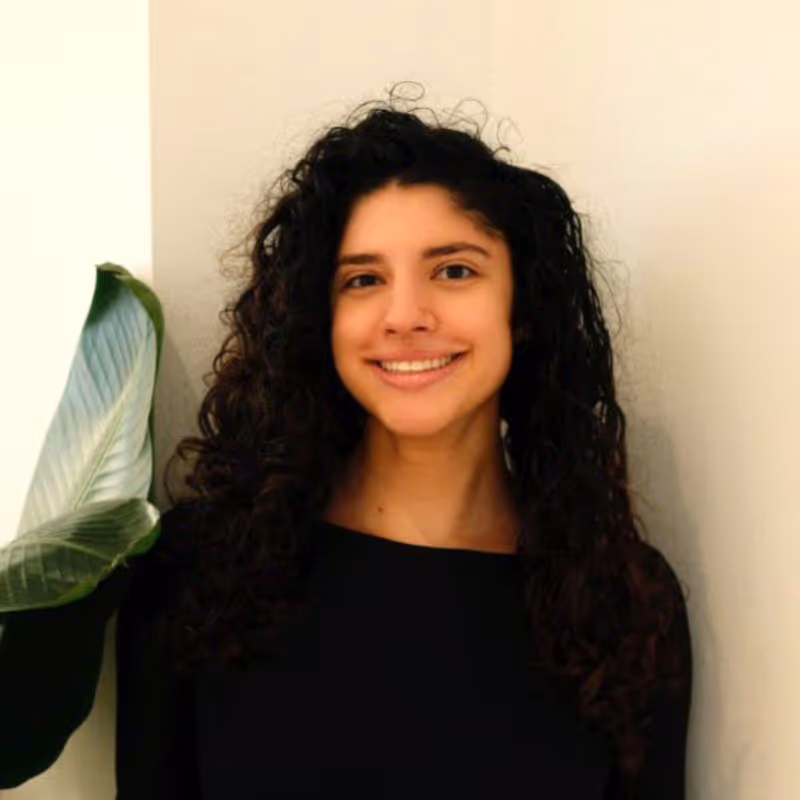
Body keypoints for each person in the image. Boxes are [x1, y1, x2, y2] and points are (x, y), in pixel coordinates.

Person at [115, 84, 692, 799]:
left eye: (454, 270)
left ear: (524, 310)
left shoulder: (623, 600)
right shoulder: (199, 572)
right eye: (363, 279)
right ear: (320, 320)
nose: (405, 315)